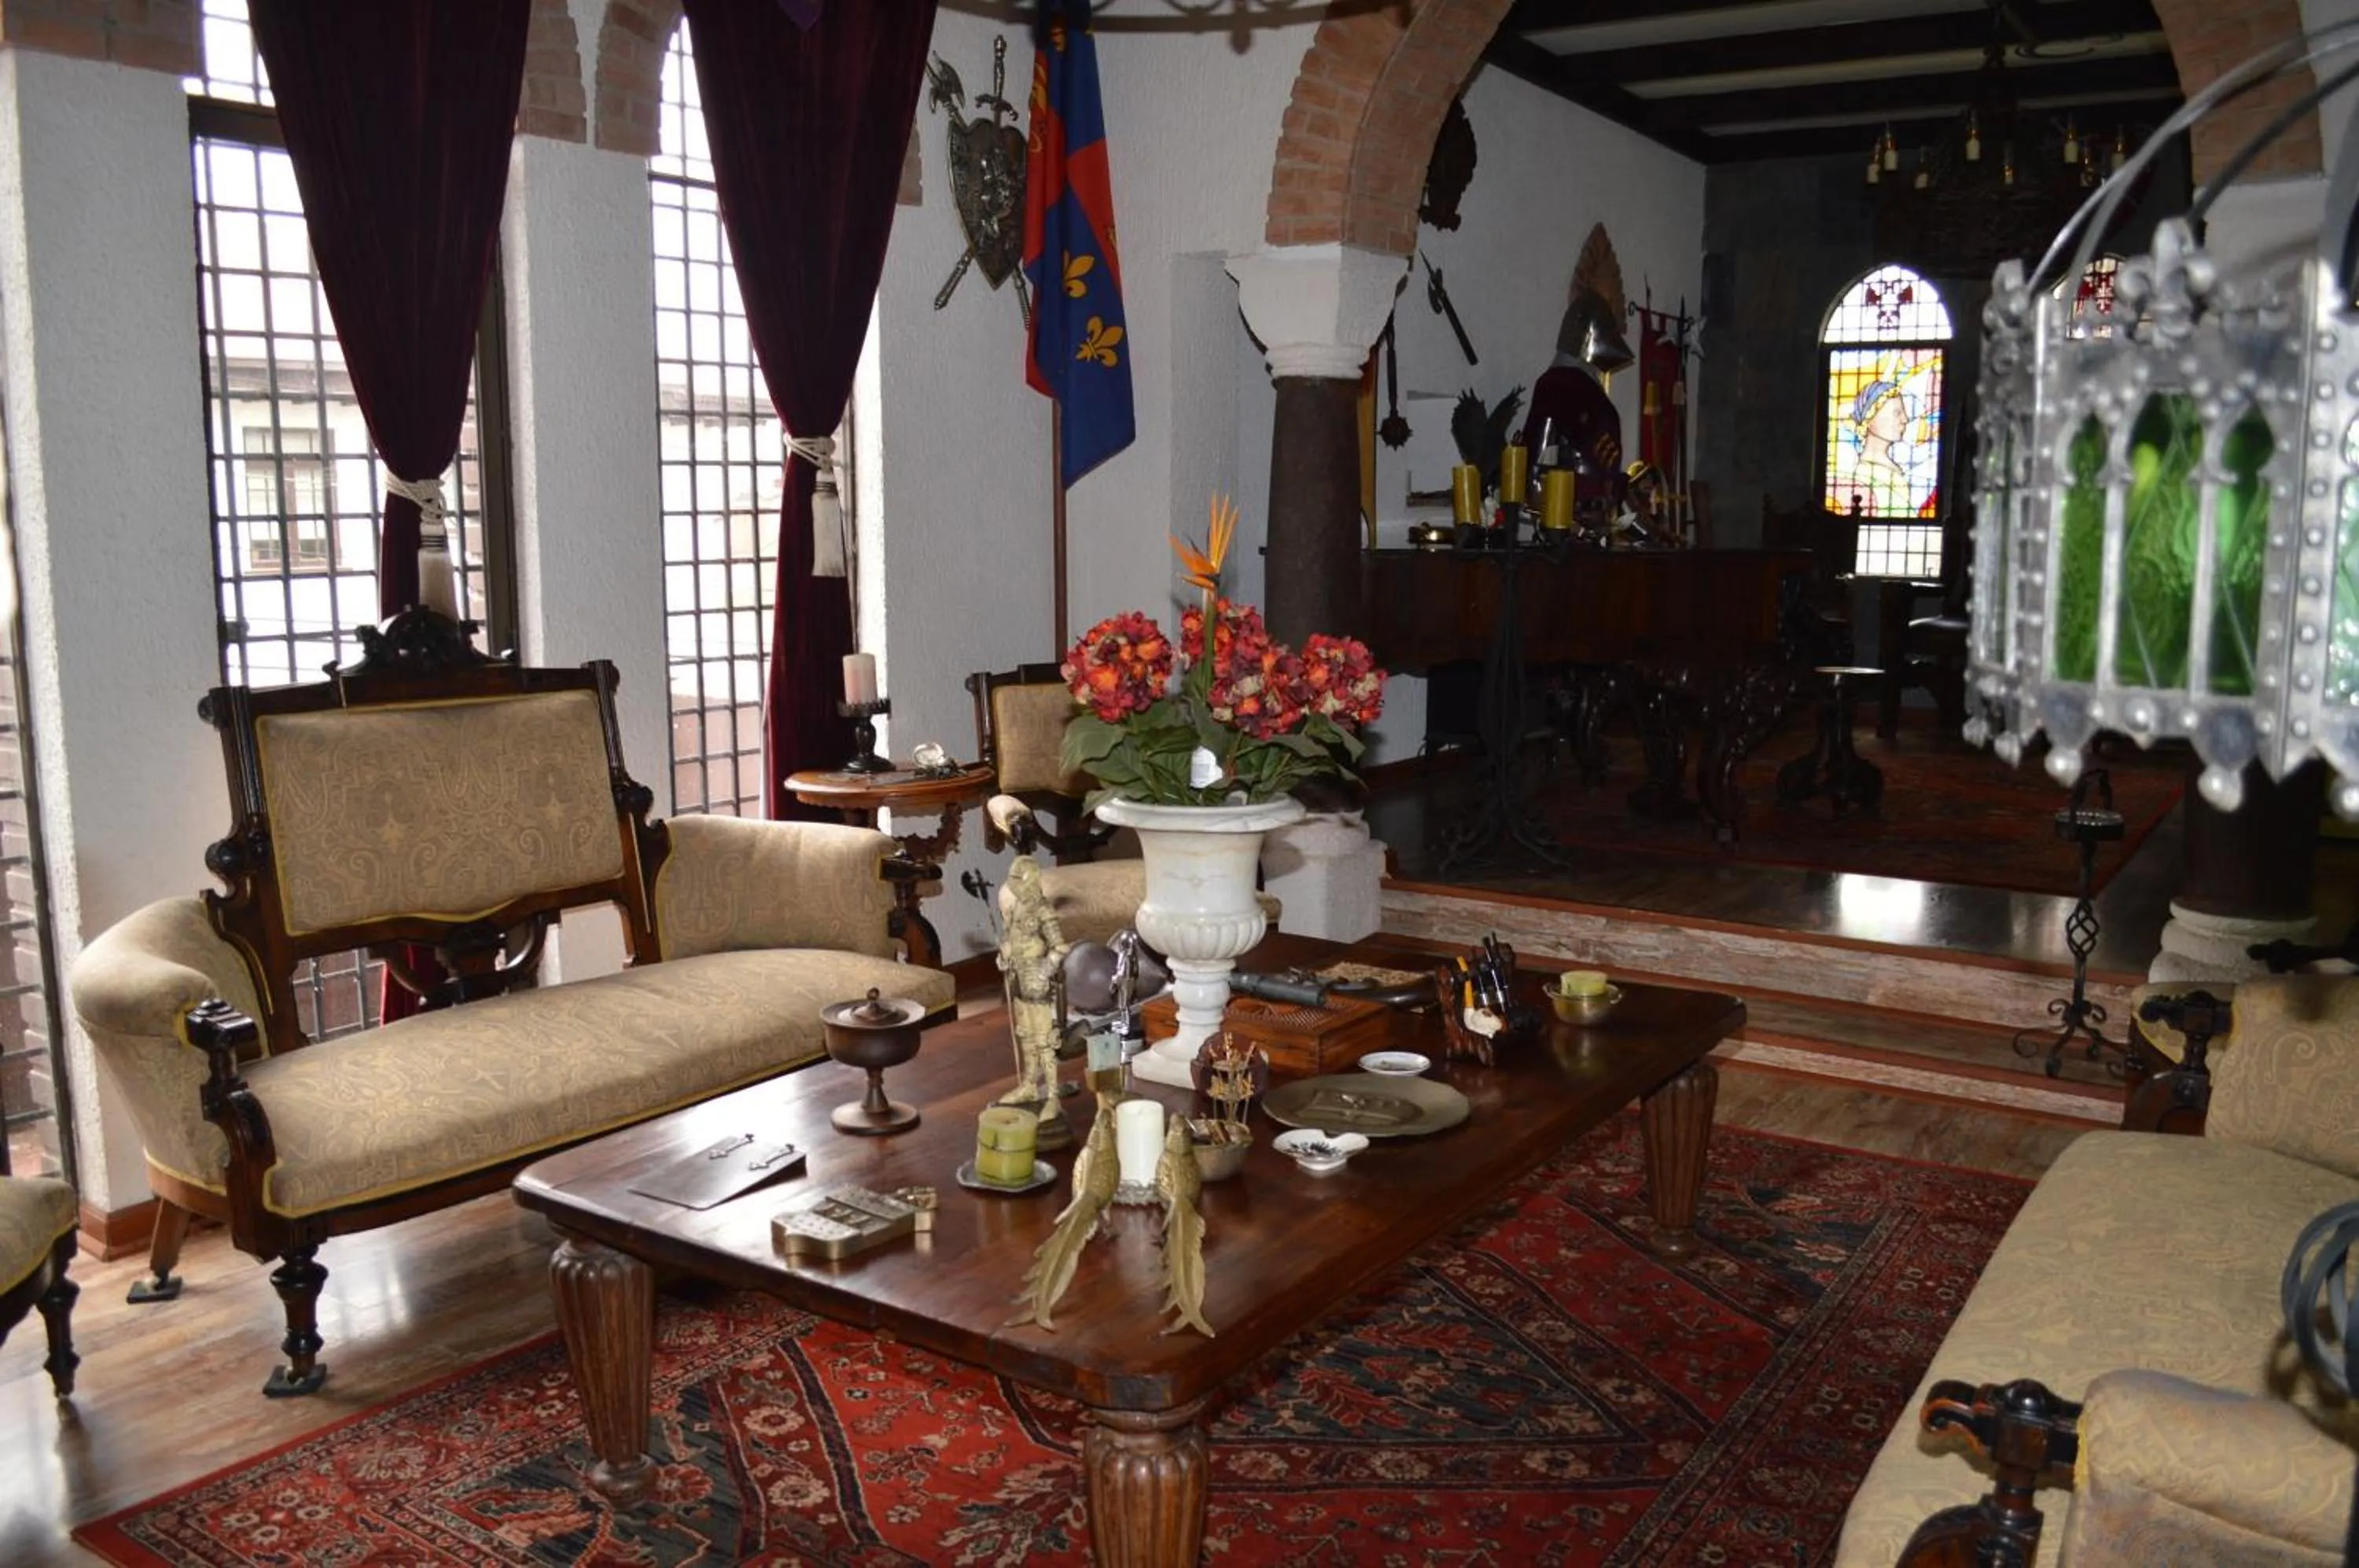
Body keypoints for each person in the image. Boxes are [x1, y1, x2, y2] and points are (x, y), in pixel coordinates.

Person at [1522, 285, 1633, 525]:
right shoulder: (1555, 385)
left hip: (1599, 513)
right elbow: (1535, 460)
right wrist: (1550, 515)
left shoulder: (1588, 388)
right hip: (1567, 516)